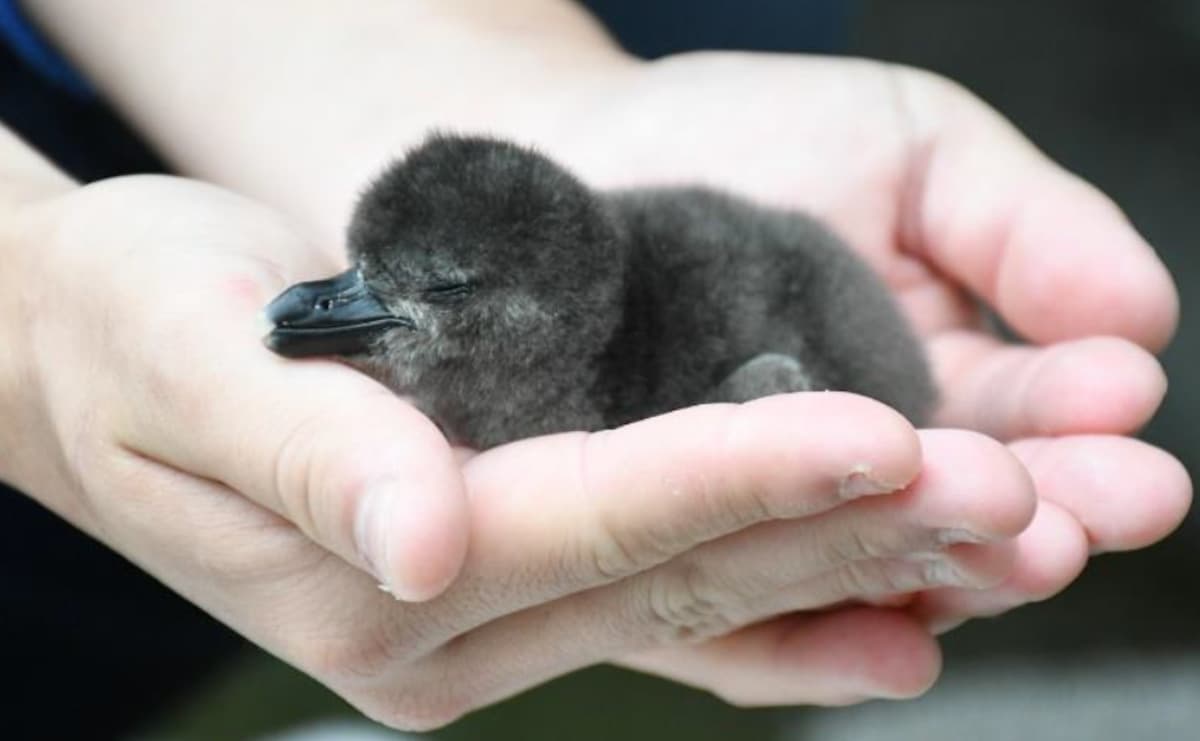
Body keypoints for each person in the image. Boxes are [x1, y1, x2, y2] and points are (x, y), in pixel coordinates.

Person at [1, 0, 1189, 733]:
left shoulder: (625, 329)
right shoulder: (519, 325)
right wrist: (35, 304)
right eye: (366, 271)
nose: (341, 301)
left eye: (431, 291)